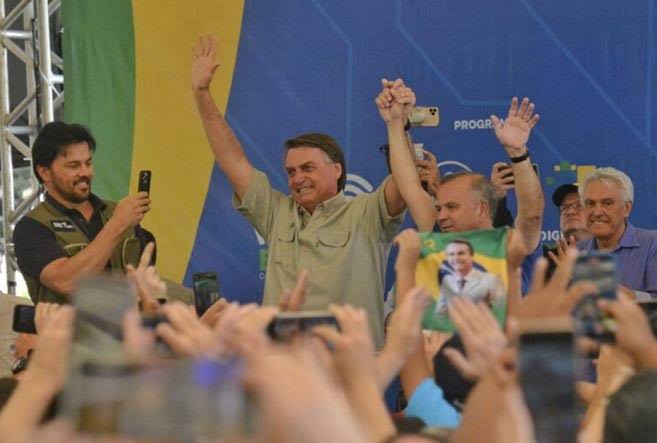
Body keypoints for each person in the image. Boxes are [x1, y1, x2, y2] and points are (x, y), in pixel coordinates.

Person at [191, 35, 406, 345]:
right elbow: (232, 159)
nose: (298, 178)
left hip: (349, 364)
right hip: (283, 362)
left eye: (308, 168)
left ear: (337, 170)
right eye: (291, 171)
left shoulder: (367, 213)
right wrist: (202, 94)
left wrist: (398, 123)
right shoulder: (276, 212)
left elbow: (404, 183)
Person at [380, 85, 544, 271]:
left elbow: (532, 214)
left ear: (482, 209)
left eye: (452, 207)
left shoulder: (512, 248)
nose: (441, 216)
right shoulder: (441, 239)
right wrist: (394, 123)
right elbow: (409, 187)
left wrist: (517, 153)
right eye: (439, 208)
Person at [13, 122, 151, 304]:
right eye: (73, 166)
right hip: (70, 323)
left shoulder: (116, 212)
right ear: (45, 172)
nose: (85, 172)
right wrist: (118, 224)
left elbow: (145, 284)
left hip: (130, 321)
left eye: (88, 163)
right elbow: (67, 283)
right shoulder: (32, 227)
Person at [576, 167, 657, 300]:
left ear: (627, 208)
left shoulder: (652, 243)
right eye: (590, 203)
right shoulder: (576, 251)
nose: (597, 212)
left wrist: (628, 295)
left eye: (607, 203)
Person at [435, 239, 505, 314]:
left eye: (461, 253)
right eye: (451, 254)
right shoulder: (446, 280)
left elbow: (501, 311)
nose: (456, 258)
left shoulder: (491, 279)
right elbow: (440, 312)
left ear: (471, 256)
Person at [543, 183, 591, 278]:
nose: (570, 212)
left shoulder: (610, 255)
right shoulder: (546, 259)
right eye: (564, 208)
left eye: (579, 206)